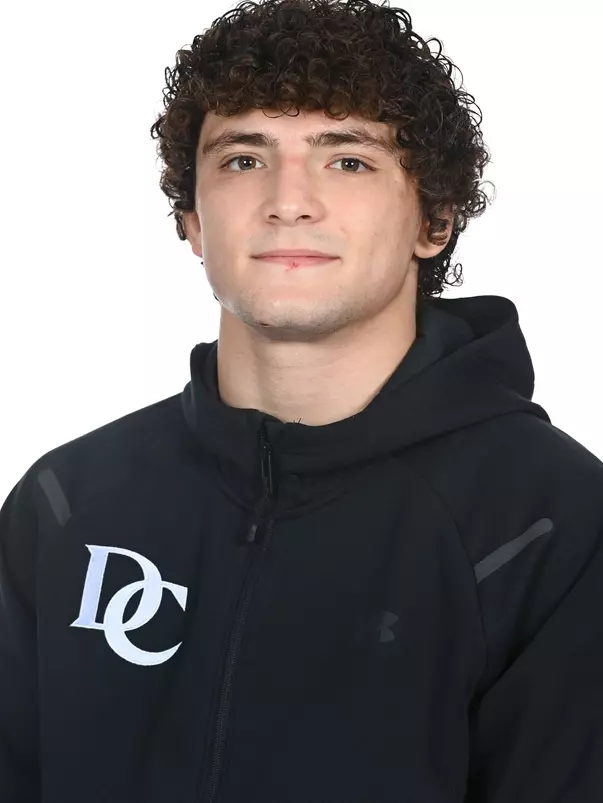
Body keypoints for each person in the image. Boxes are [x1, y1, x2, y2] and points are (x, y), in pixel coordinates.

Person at [2, 0, 602, 800]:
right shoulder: (68, 504)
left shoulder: (547, 525)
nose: (290, 200)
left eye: (346, 160)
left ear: (435, 219)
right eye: (243, 159)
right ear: (191, 219)